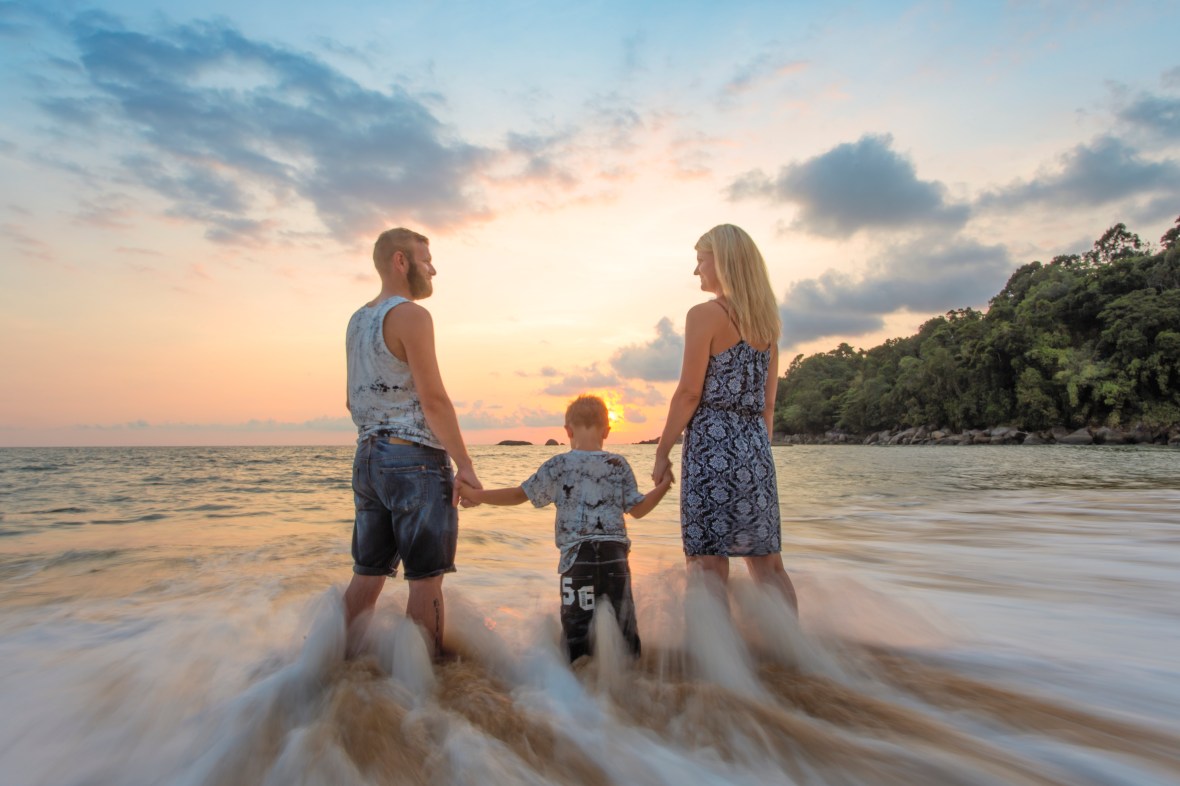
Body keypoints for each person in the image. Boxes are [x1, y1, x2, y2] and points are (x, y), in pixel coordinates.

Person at [343, 227, 481, 659]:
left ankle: (336, 671)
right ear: (400, 261)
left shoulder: (357, 321)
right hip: (414, 459)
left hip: (367, 458)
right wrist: (465, 464)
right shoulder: (411, 316)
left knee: (367, 575)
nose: (433, 269)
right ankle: (426, 682)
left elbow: (351, 399)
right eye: (426, 259)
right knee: (425, 579)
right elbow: (433, 399)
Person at [459, 395, 672, 661]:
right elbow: (638, 509)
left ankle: (579, 677)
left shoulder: (558, 465)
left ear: (568, 431)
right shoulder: (618, 465)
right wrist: (664, 485)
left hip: (577, 560)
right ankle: (633, 679)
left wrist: (475, 495)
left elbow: (519, 495)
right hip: (615, 559)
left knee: (577, 633)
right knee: (625, 631)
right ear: (607, 430)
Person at [652, 224, 798, 611]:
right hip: (756, 450)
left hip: (710, 449)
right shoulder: (768, 327)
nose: (696, 270)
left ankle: (714, 649)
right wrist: (756, 456)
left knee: (708, 563)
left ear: (723, 262)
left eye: (701, 260)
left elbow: (689, 393)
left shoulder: (705, 315)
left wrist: (662, 451)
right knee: (768, 564)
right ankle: (791, 646)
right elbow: (768, 406)